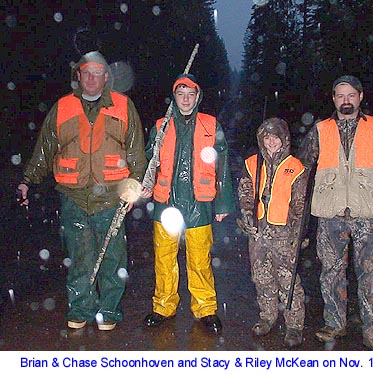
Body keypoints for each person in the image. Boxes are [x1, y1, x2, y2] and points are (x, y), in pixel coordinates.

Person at [16, 51, 147, 331]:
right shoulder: (62, 107)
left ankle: (109, 311)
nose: (91, 77)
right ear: (78, 76)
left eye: (97, 72)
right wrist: (27, 179)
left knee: (112, 258)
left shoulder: (124, 106)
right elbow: (44, 149)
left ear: (106, 77)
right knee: (79, 257)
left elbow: (136, 154)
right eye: (86, 72)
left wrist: (134, 186)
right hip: (73, 197)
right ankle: (80, 309)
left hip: (112, 197)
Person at [297, 75, 373, 350]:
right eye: (340, 95)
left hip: (368, 215)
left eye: (351, 95)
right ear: (333, 99)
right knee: (331, 272)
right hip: (330, 214)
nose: (345, 100)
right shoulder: (320, 129)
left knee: (372, 273)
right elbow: (302, 164)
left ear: (360, 97)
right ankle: (334, 323)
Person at [141, 73, 235, 334]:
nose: (185, 99)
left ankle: (206, 308)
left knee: (200, 259)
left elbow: (222, 164)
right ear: (175, 97)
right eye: (180, 94)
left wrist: (223, 204)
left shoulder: (210, 125)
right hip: (165, 203)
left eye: (190, 94)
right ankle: (163, 305)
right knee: (164, 258)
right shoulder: (161, 125)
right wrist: (146, 175)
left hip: (199, 203)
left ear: (197, 97)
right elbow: (148, 159)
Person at [237, 117, 309, 348]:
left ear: (284, 139)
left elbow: (301, 205)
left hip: (284, 234)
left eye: (275, 136)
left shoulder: (296, 167)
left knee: (288, 281)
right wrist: (247, 212)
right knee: (262, 277)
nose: (271, 141)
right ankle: (267, 317)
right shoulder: (252, 163)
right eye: (266, 137)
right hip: (258, 232)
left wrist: (297, 235)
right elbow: (246, 192)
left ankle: (294, 325)